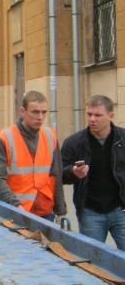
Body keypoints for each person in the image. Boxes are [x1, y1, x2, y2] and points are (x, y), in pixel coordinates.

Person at [0, 90, 66, 220]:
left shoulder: (50, 136)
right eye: (35, 112)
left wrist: (61, 210)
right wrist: (15, 205)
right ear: (23, 111)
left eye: (44, 112)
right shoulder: (4, 138)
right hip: (15, 212)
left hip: (45, 212)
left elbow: (56, 175)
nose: (40, 117)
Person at [61, 95, 125, 250]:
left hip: (121, 210)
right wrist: (74, 173)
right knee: (93, 261)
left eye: (98, 115)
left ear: (110, 116)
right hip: (90, 212)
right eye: (89, 114)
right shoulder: (74, 142)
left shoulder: (122, 139)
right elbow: (59, 174)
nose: (92, 119)